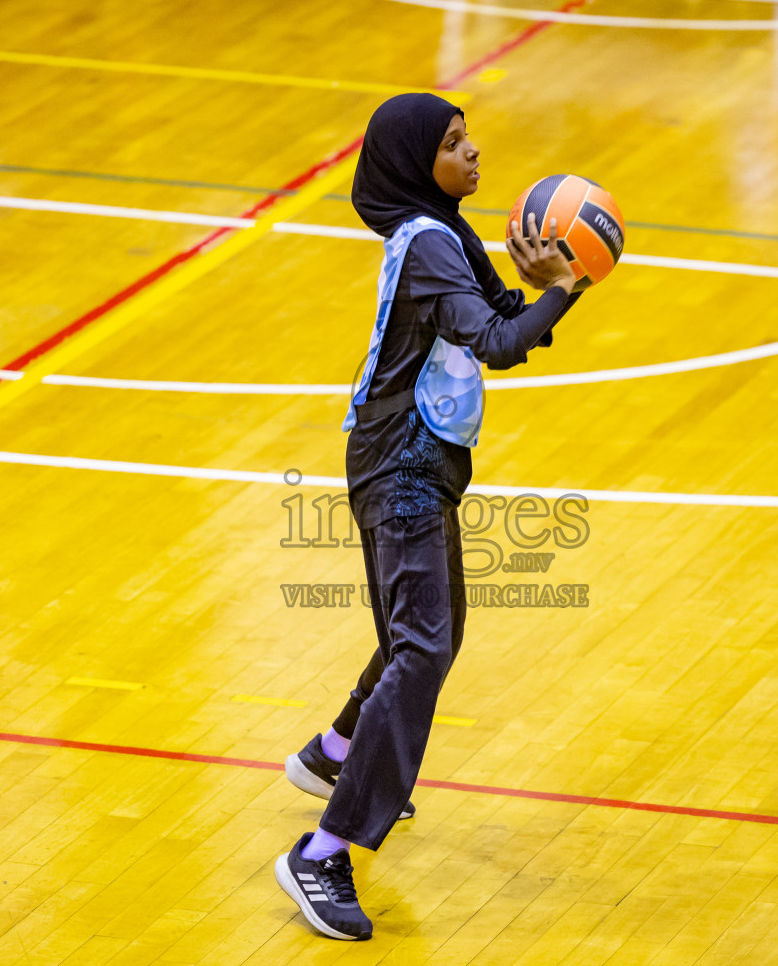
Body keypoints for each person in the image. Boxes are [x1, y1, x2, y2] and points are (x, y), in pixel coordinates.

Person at [273, 93, 582, 941]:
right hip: (401, 465)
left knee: (429, 633)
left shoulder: (441, 235)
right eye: (453, 144)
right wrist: (565, 288)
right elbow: (499, 345)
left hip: (412, 459)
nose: (474, 152)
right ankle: (323, 852)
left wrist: (553, 287)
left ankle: (333, 754)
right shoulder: (430, 246)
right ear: (416, 161)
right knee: (424, 645)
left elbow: (508, 321)